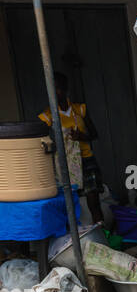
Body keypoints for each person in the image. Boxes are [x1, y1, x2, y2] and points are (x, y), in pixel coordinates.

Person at [39, 71, 102, 224]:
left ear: (65, 89)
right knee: (67, 202)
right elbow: (42, 142)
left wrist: (81, 136)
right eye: (52, 89)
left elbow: (94, 134)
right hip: (64, 164)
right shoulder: (48, 116)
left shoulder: (79, 109)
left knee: (93, 200)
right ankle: (72, 237)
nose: (55, 93)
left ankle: (102, 232)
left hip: (86, 159)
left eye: (58, 88)